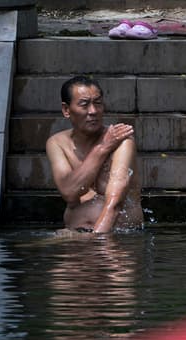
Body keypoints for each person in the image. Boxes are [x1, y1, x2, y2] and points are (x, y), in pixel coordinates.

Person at [45, 76, 143, 234]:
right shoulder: (57, 143)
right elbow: (69, 192)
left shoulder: (122, 140)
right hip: (75, 236)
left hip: (116, 237)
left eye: (98, 103)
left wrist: (96, 241)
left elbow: (115, 203)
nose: (93, 111)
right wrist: (102, 148)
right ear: (66, 110)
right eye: (84, 104)